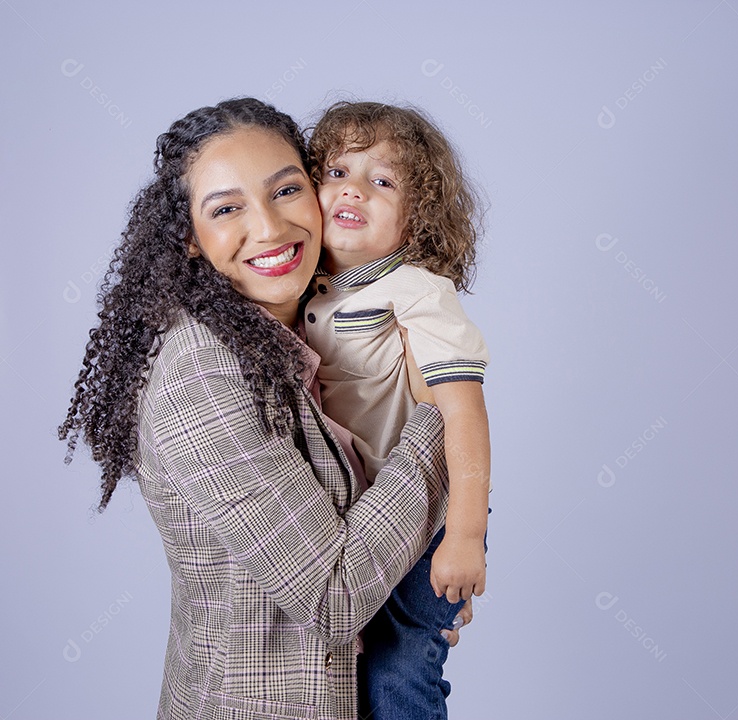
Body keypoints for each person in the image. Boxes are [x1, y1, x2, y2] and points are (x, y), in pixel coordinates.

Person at [58, 97, 468, 720]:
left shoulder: (309, 336)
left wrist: (416, 609)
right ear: (190, 240)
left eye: (286, 191)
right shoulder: (201, 371)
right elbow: (334, 596)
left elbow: (360, 539)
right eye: (226, 209)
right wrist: (435, 409)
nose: (272, 229)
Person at [305, 101, 490, 719]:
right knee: (349, 674)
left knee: (400, 665)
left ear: (417, 221)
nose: (353, 189)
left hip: (426, 512)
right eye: (336, 172)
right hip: (355, 526)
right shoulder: (306, 287)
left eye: (382, 181)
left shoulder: (417, 292)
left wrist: (463, 537)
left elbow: (463, 417)